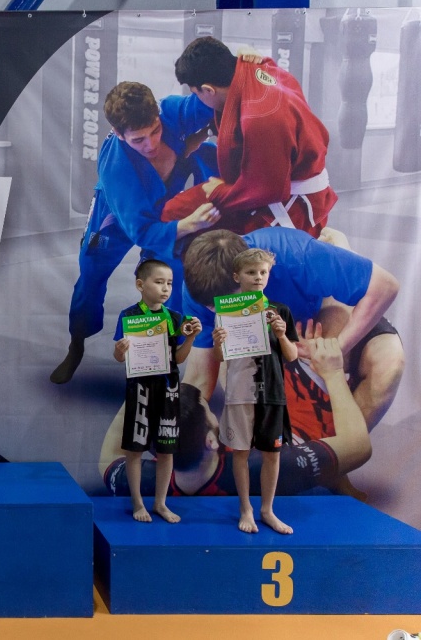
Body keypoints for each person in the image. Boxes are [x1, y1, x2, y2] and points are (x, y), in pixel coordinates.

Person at [50, 81, 221, 384]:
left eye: (155, 131)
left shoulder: (171, 112)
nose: (151, 144)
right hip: (111, 222)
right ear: (118, 134)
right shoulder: (117, 168)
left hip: (163, 211)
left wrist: (247, 68)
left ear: (158, 114)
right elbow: (141, 231)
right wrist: (190, 224)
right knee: (90, 273)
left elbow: (213, 99)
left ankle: (168, 350)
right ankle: (76, 344)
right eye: (139, 139)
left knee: (174, 270)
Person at [180, 227, 401, 435]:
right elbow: (200, 377)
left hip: (318, 310)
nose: (227, 311)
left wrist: (337, 349)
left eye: (235, 303)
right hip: (265, 339)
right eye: (216, 309)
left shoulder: (295, 254)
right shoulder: (198, 289)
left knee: (388, 365)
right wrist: (181, 421)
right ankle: (285, 448)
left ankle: (341, 451)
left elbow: (386, 286)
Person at [100, 331, 372, 499]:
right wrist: (333, 373)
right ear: (211, 441)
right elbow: (358, 446)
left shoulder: (141, 482)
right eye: (209, 411)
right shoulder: (268, 469)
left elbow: (109, 459)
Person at [169, 36, 337, 238]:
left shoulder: (260, 118)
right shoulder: (261, 67)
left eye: (197, 94)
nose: (198, 99)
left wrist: (219, 192)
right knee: (174, 211)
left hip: (290, 206)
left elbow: (269, 189)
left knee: (219, 247)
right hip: (266, 185)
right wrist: (204, 133)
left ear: (208, 90)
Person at [211, 247, 299, 534]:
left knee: (272, 453)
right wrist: (218, 342)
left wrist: (281, 335)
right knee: (240, 453)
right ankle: (245, 508)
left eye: (263, 272)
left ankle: (267, 510)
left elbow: (292, 356)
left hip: (272, 392)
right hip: (240, 391)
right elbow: (221, 357)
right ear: (237, 276)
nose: (258, 277)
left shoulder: (280, 311)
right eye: (251, 272)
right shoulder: (226, 312)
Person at [111, 259, 202, 522]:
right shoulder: (128, 316)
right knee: (135, 448)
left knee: (166, 449)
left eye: (170, 283)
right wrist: (119, 351)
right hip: (139, 388)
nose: (165, 288)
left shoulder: (175, 318)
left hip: (168, 388)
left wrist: (191, 338)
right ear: (140, 285)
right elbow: (120, 357)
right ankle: (138, 503)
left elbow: (179, 358)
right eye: (159, 282)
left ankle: (161, 503)